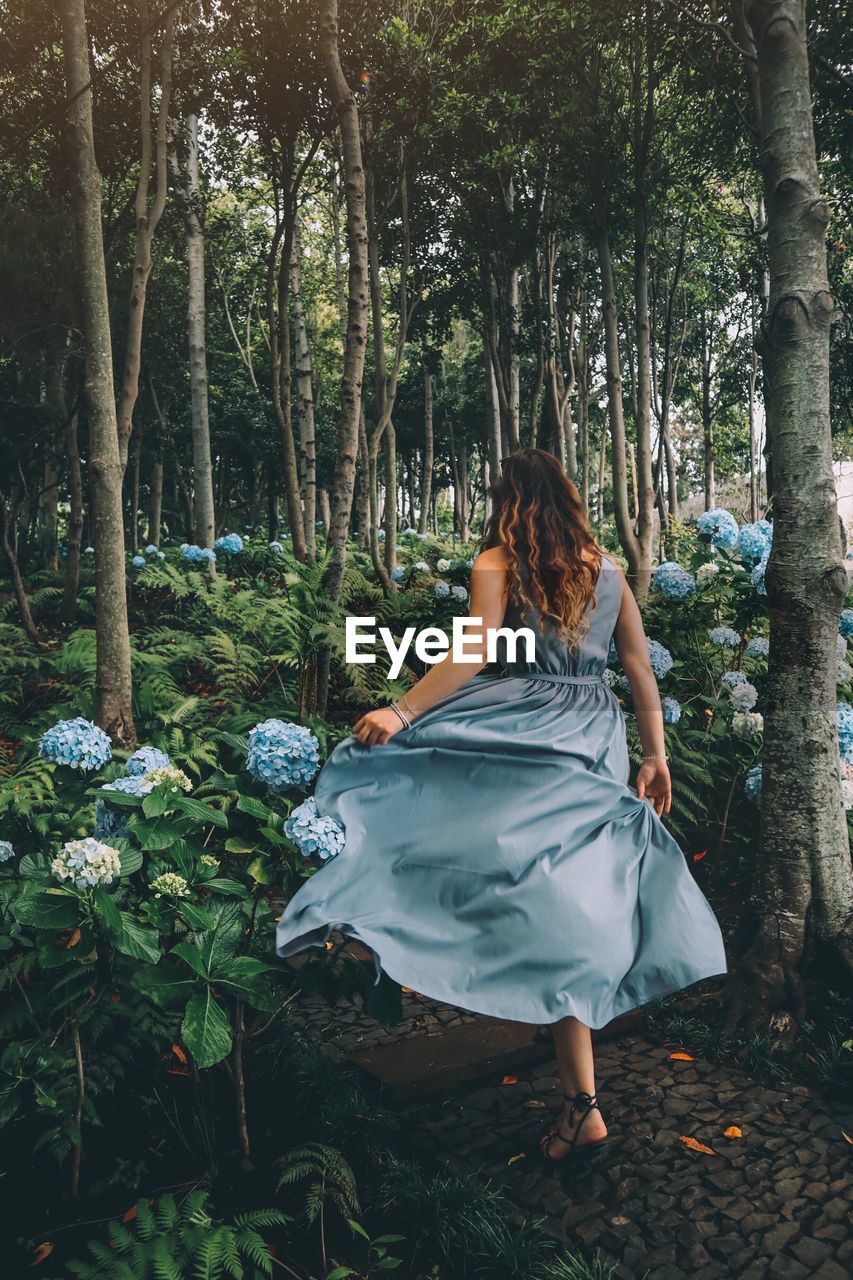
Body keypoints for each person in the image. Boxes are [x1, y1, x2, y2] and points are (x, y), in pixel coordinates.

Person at [276, 448, 727, 1162]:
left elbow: (475, 648)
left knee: (430, 800)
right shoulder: (602, 564)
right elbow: (637, 665)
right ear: (567, 498)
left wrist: (400, 709)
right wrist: (654, 754)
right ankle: (581, 1104)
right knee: (565, 896)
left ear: (507, 499)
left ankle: (386, 930)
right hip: (591, 732)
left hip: (523, 721)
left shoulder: (495, 561)